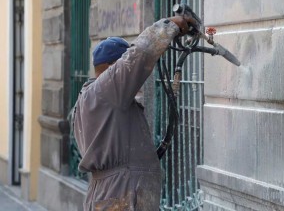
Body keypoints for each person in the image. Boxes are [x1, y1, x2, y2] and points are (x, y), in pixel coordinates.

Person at [73, 16, 194, 211]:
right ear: (115, 67)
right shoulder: (107, 88)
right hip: (120, 193)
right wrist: (171, 24)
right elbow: (139, 54)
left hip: (112, 191)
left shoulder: (92, 97)